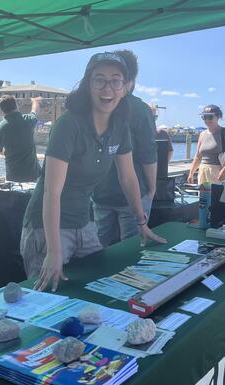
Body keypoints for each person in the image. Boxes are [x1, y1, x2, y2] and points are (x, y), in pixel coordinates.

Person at [21, 51, 166, 292]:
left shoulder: (120, 125)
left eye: (115, 80)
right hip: (47, 228)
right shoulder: (69, 125)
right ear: (88, 84)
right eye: (99, 79)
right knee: (46, 300)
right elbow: (51, 191)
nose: (107, 87)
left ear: (125, 87)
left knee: (100, 287)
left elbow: (128, 177)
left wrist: (142, 222)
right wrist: (54, 251)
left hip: (83, 224)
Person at [92, 50, 158, 247]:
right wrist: (152, 189)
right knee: (131, 252)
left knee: (100, 252)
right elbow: (148, 155)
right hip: (132, 196)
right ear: (133, 78)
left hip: (100, 192)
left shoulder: (93, 108)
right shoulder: (140, 110)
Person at [0, 95, 42, 183]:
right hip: (32, 173)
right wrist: (35, 101)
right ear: (16, 105)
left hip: (13, 174)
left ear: (2, 110)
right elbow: (34, 111)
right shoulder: (27, 120)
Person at [187, 105, 225, 185]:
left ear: (218, 116)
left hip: (219, 173)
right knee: (204, 197)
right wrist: (191, 173)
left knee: (218, 197)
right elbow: (198, 156)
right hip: (203, 172)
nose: (207, 120)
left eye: (210, 117)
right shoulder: (202, 134)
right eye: (204, 117)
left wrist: (224, 170)